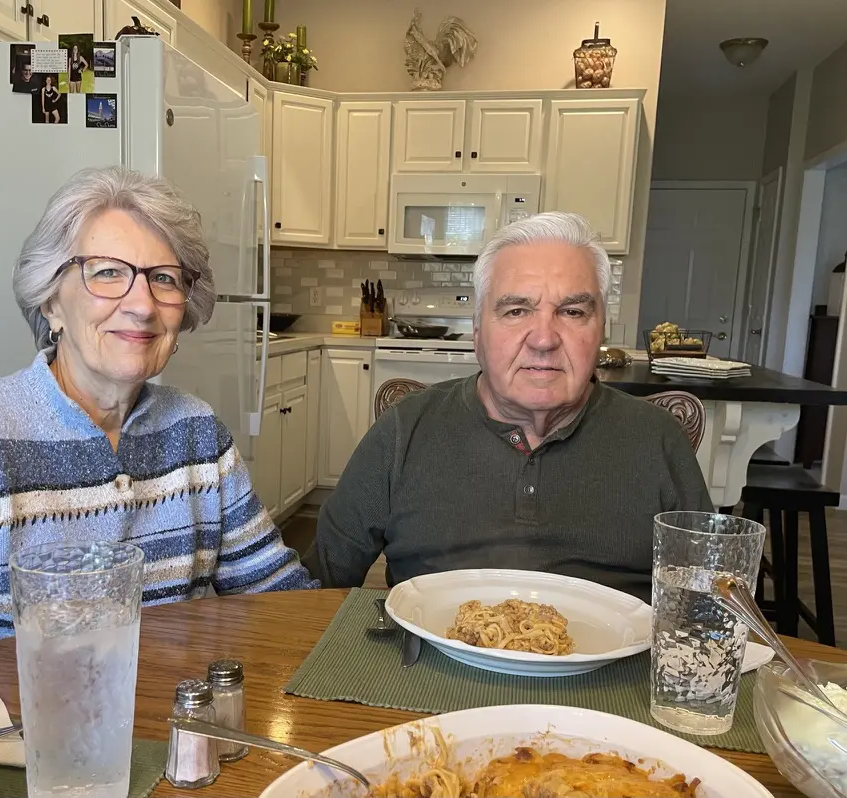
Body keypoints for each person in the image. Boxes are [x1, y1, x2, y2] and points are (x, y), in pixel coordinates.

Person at [0, 166, 317, 684]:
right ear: (51, 299)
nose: (142, 305)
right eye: (106, 272)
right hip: (24, 756)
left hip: (179, 742)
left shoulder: (197, 436)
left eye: (164, 278)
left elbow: (280, 601)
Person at [303, 211, 712, 602]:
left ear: (601, 328)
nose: (544, 339)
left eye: (572, 312)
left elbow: (710, 610)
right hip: (430, 671)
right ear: (478, 331)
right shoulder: (402, 432)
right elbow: (315, 591)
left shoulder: (657, 439)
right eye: (516, 311)